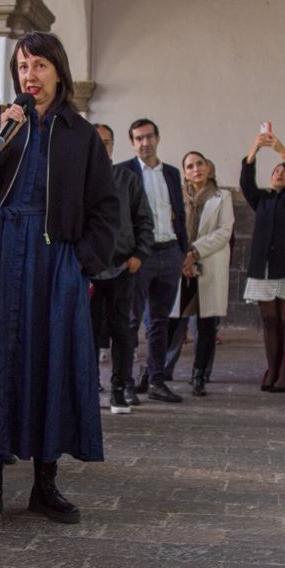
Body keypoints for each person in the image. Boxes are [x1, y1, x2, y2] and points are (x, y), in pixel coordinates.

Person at [0, 31, 118, 526]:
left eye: (40, 66)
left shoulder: (82, 135)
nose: (30, 76)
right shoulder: (4, 122)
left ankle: (46, 485)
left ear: (59, 72)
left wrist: (82, 260)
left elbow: (106, 208)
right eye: (23, 67)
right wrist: (0, 134)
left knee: (53, 363)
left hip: (55, 263)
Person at [121, 118, 187, 403]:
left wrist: (183, 251)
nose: (145, 142)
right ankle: (124, 383)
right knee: (131, 321)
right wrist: (130, 253)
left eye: (149, 137)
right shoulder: (124, 172)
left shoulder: (172, 173)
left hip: (170, 252)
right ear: (132, 143)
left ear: (158, 138)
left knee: (160, 321)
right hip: (140, 256)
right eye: (138, 138)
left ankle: (156, 381)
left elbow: (179, 213)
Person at [240, 123, 285, 392]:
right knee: (269, 322)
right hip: (264, 270)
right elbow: (246, 182)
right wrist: (255, 149)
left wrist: (283, 154)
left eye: (283, 172)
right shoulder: (262, 200)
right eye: (275, 171)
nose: (279, 173)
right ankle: (271, 370)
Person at [90, 122, 153, 415]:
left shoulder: (127, 179)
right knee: (86, 332)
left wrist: (139, 254)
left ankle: (119, 389)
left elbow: (144, 221)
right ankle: (87, 389)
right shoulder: (78, 178)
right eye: (96, 141)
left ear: (113, 146)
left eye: (106, 142)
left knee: (123, 330)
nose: (102, 147)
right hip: (88, 270)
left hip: (122, 268)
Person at [166, 153, 234, 396]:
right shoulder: (176, 196)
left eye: (200, 164)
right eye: (190, 166)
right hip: (179, 264)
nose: (196, 169)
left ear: (207, 167)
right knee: (171, 321)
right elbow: (169, 226)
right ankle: (157, 371)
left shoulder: (222, 196)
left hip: (207, 263)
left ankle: (198, 375)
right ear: (184, 172)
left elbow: (223, 232)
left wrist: (194, 252)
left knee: (206, 324)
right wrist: (182, 257)